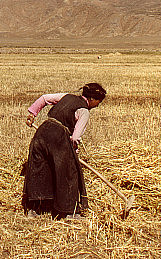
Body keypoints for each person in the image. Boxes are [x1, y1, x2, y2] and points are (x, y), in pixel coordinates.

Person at [22, 82, 107, 219]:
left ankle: (35, 209)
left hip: (43, 131)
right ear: (92, 99)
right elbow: (74, 138)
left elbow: (44, 98)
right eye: (98, 101)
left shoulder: (66, 97)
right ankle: (69, 212)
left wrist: (32, 114)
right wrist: (73, 152)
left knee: (40, 168)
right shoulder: (84, 111)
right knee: (69, 172)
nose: (98, 105)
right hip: (58, 137)